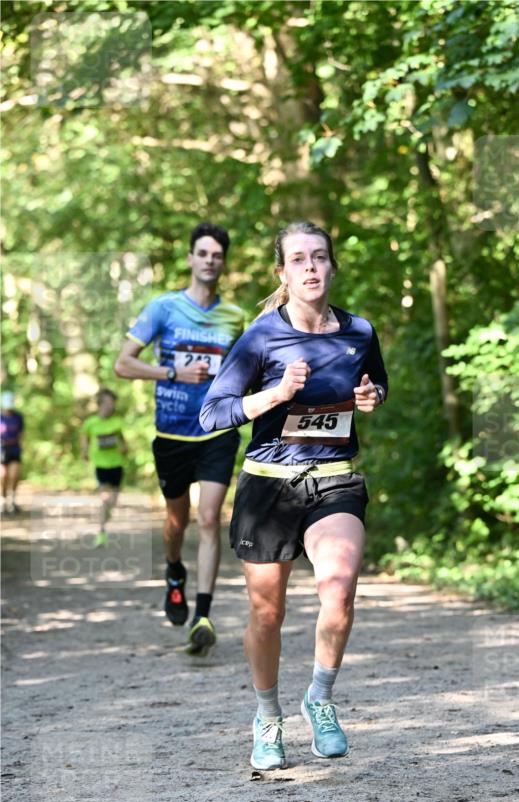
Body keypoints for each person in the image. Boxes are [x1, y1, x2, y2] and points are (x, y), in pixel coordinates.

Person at [200, 220, 388, 770]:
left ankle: (321, 698)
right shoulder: (261, 336)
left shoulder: (359, 331)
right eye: (299, 259)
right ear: (282, 273)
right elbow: (215, 412)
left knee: (340, 589)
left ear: (332, 266)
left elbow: (375, 382)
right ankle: (267, 715)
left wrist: (372, 395)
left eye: (320, 257)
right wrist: (276, 393)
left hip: (333, 477)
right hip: (267, 485)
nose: (311, 267)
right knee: (268, 612)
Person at [114, 221, 244, 655]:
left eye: (217, 255)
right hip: (171, 433)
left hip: (217, 430)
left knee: (209, 519)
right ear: (191, 259)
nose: (209, 261)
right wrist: (171, 372)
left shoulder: (234, 317)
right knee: (177, 523)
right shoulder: (163, 308)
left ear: (223, 263)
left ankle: (202, 614)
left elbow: (243, 371)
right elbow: (123, 365)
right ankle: (174, 571)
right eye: (203, 254)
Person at [81, 388, 128, 547]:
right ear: (100, 404)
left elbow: (123, 440)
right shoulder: (90, 423)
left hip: (116, 464)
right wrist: (85, 451)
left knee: (112, 501)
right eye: (108, 403)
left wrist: (125, 448)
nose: (111, 406)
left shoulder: (117, 422)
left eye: (113, 403)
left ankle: (104, 518)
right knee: (104, 498)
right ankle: (101, 531)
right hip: (100, 465)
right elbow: (85, 439)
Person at [1, 390, 24, 514]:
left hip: (14, 449)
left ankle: (13, 500)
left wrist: (20, 444)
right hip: (1, 450)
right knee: (3, 476)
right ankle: (3, 500)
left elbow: (21, 433)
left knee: (14, 475)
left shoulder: (18, 417)